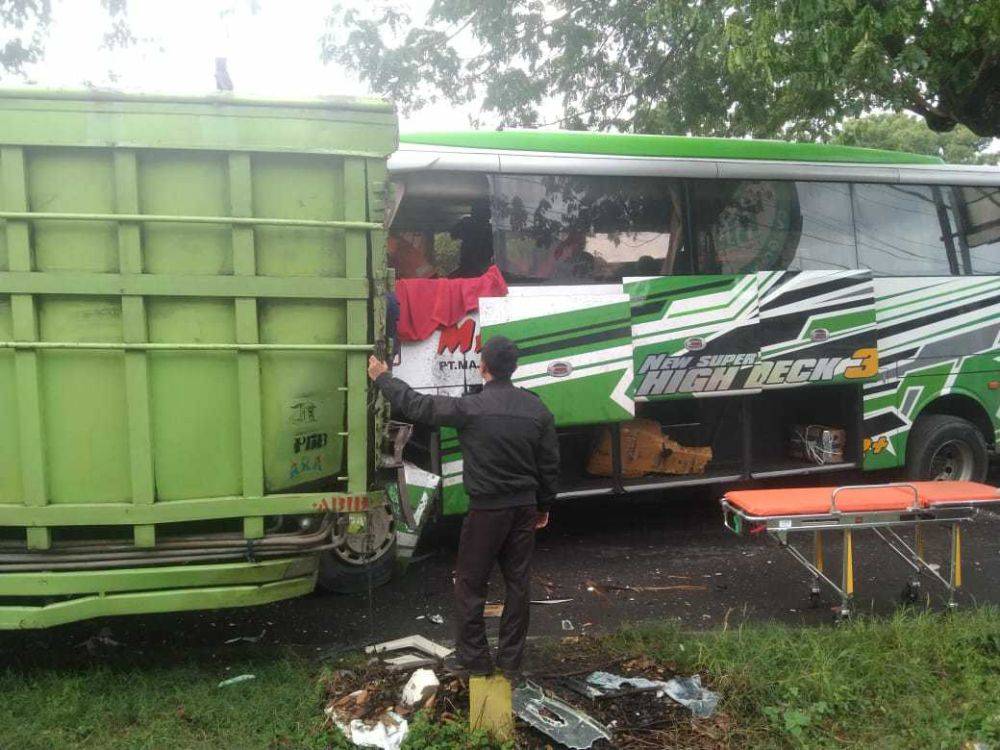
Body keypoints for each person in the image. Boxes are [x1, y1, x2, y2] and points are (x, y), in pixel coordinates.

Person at [367, 336, 559, 679]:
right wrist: (543, 505)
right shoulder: (538, 409)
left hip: (487, 511)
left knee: (471, 584)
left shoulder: (472, 408)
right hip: (524, 508)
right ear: (513, 368)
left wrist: (383, 378)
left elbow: (417, 405)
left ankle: (475, 660)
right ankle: (510, 663)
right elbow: (549, 466)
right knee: (518, 584)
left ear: (482, 366)